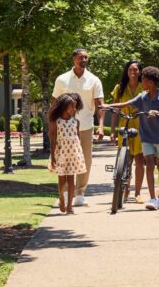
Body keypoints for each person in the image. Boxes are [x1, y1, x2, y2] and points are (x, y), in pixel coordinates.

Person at [102, 66, 159, 211]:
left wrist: (158, 114)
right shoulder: (142, 97)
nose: (142, 82)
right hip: (146, 137)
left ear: (151, 82)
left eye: (145, 80)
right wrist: (107, 106)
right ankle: (152, 198)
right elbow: (125, 104)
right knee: (150, 165)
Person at [51, 48, 105, 207]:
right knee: (65, 159)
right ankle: (66, 193)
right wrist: (52, 124)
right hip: (64, 127)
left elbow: (100, 106)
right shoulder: (62, 79)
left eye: (86, 57)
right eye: (81, 57)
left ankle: (80, 193)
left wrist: (101, 126)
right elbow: (54, 104)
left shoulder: (94, 80)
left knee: (85, 160)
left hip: (86, 126)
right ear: (74, 58)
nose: (84, 60)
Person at [109, 60, 145, 203]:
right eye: (130, 69)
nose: (133, 72)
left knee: (139, 160)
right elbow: (115, 110)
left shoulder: (145, 87)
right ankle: (124, 189)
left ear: (140, 71)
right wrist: (112, 131)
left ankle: (138, 193)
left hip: (140, 125)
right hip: (124, 124)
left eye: (136, 69)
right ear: (126, 71)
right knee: (125, 160)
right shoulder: (119, 87)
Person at [48, 93, 87, 214]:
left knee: (71, 179)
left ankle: (70, 205)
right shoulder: (56, 121)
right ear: (64, 107)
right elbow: (53, 139)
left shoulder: (76, 122)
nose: (74, 109)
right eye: (72, 107)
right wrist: (53, 156)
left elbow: (78, 140)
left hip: (73, 154)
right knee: (61, 178)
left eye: (75, 107)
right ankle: (61, 198)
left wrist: (79, 155)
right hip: (60, 153)